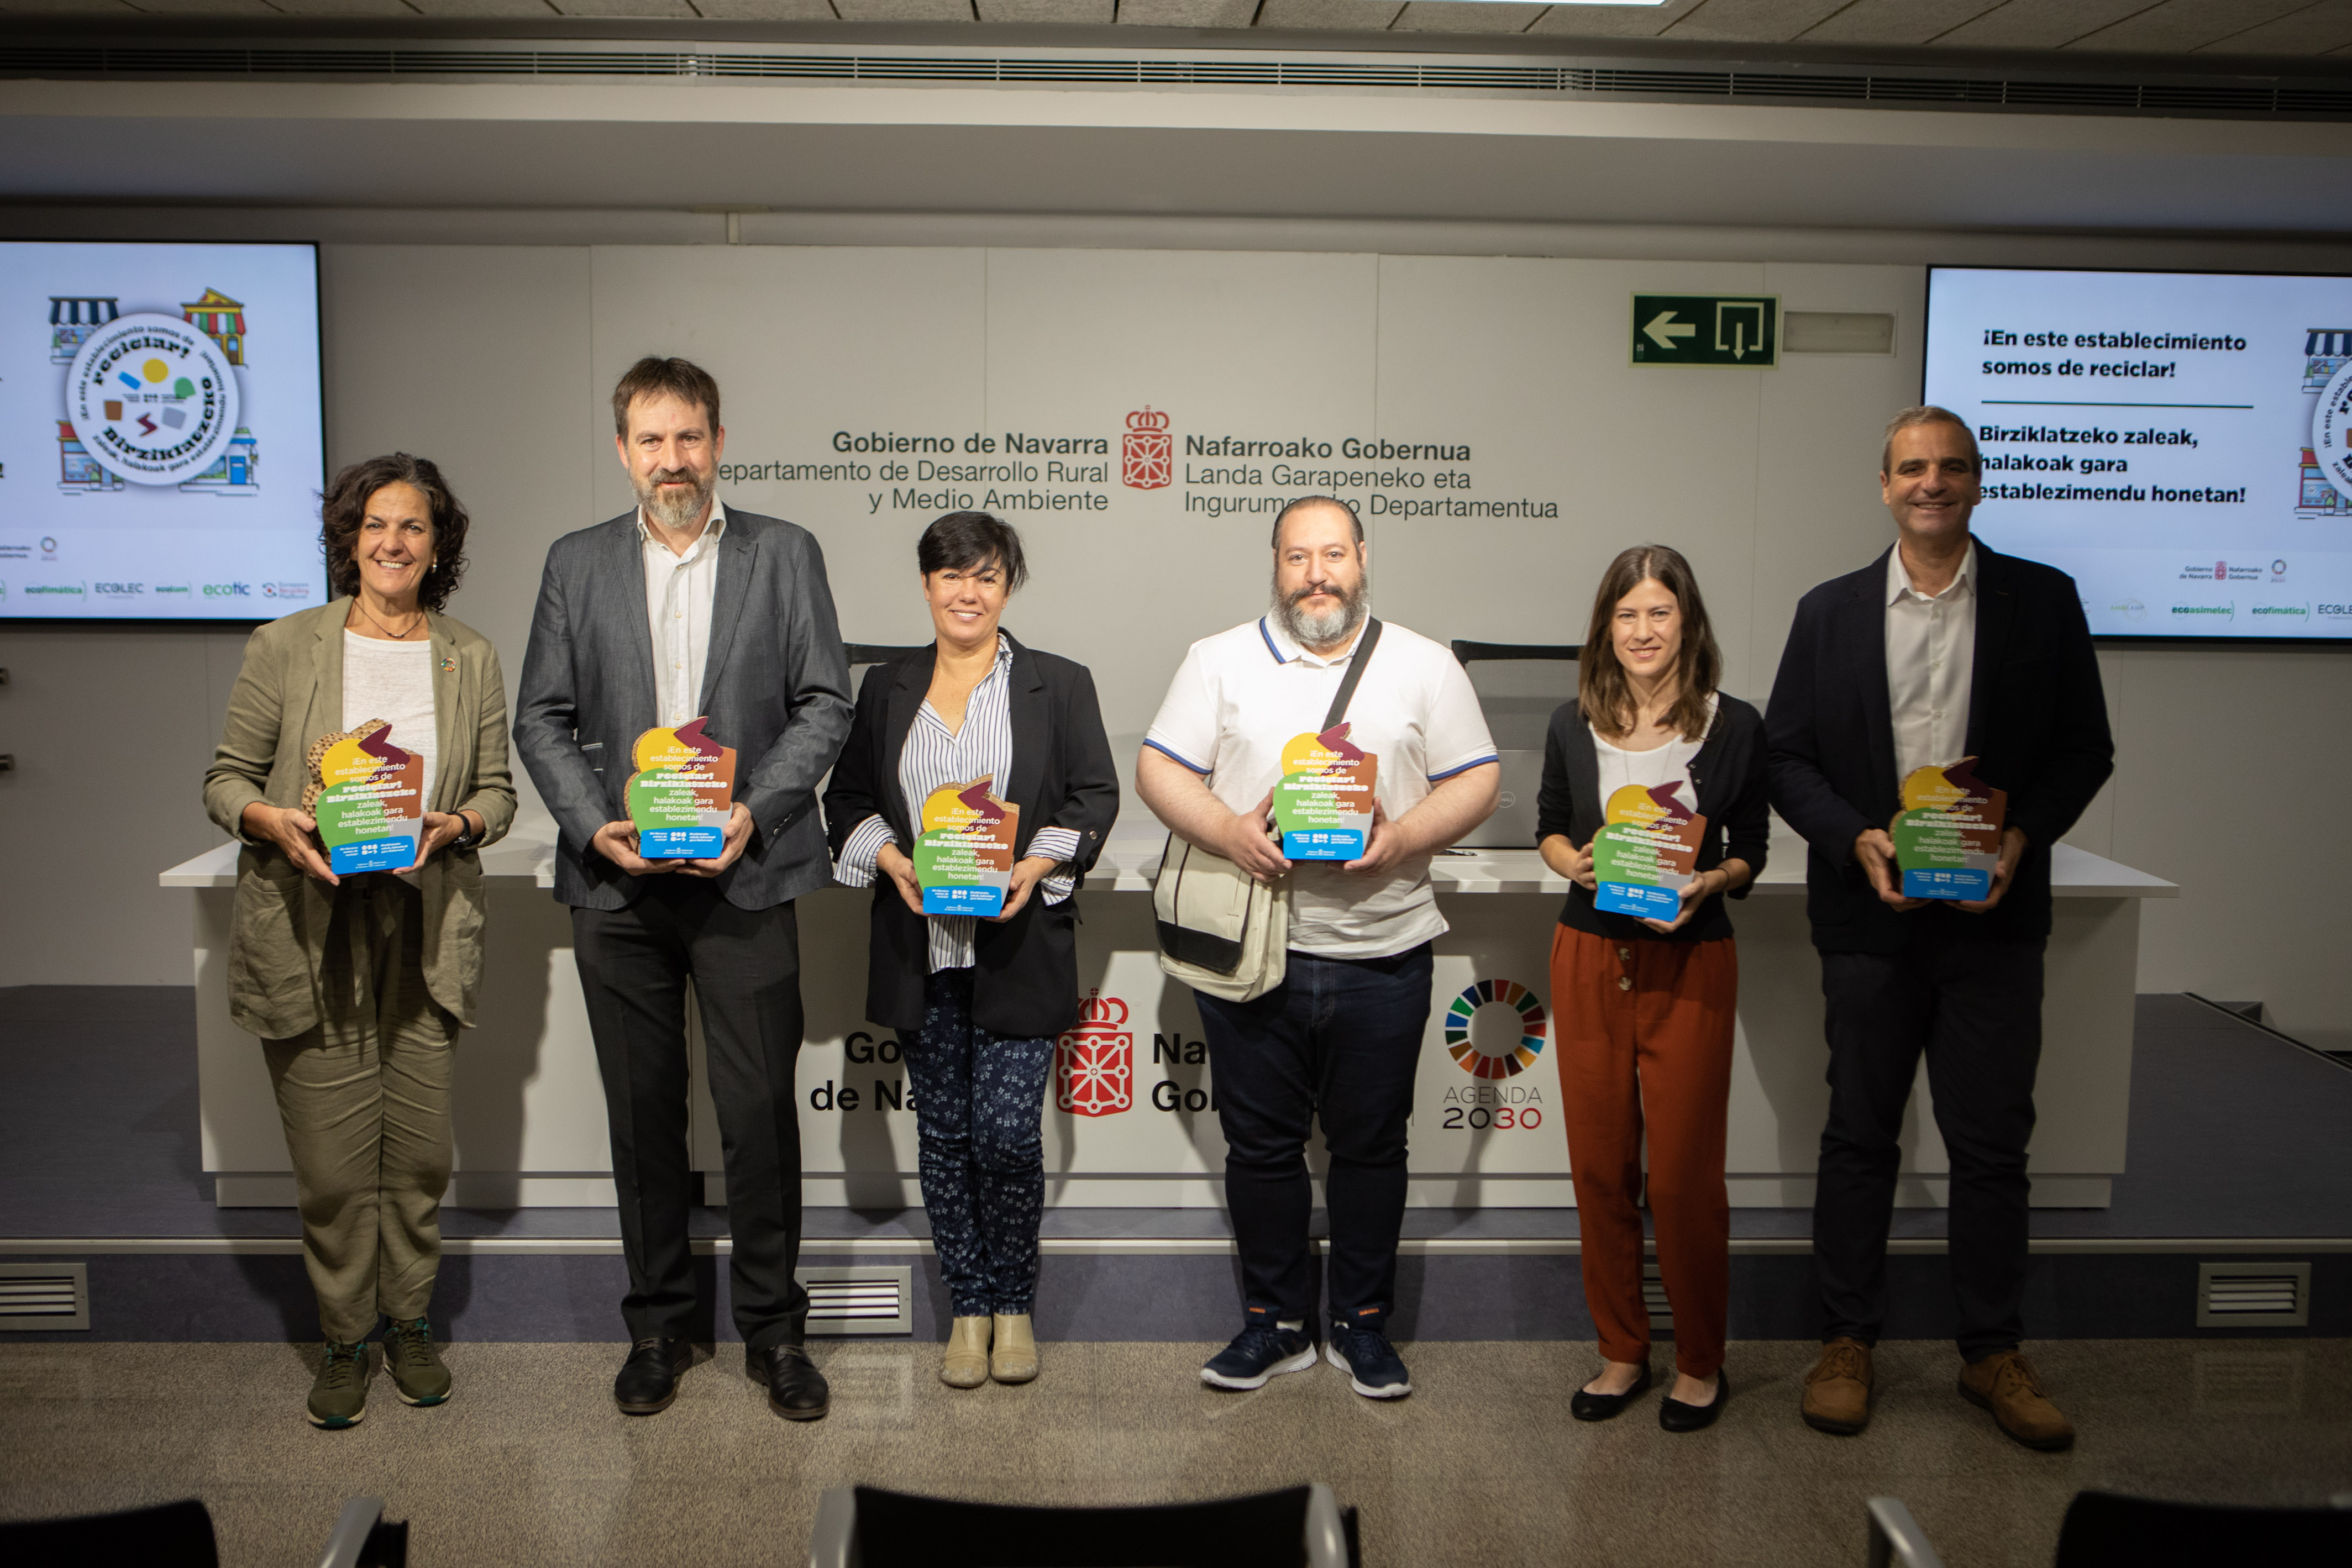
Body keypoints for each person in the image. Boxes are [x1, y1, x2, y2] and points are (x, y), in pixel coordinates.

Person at [1767, 406, 2113, 1451]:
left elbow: (2084, 751)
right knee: (1859, 1136)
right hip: (1870, 921)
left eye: (1951, 467)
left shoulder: (2041, 601)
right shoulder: (1828, 611)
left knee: (1992, 1145)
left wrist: (2022, 841)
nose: (1932, 483)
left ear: (1976, 482)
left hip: (1992, 923)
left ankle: (1991, 1351)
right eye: (1913, 468)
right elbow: (1787, 757)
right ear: (1884, 485)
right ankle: (1846, 1342)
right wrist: (1857, 838)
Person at [514, 357, 853, 1422]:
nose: (674, 460)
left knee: (757, 1114)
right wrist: (592, 826)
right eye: (652, 440)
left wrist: (754, 807)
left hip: (745, 876)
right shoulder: (575, 564)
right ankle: (660, 1326)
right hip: (618, 889)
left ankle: (775, 1332)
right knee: (644, 1116)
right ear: (624, 450)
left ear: (719, 442)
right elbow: (541, 716)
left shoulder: (783, 553)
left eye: (691, 438)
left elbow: (824, 706)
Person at [1137, 495, 1499, 1401]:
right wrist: (1227, 830)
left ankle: (1362, 1325)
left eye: (1332, 553)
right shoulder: (1217, 659)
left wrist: (1407, 835)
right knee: (1260, 1149)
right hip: (1254, 950)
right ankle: (1275, 1324)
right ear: (1275, 564)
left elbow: (1480, 777)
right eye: (1298, 557)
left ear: (1363, 557)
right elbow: (1159, 767)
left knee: (1373, 1148)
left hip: (1384, 949)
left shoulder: (1424, 664)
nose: (1317, 573)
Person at [203, 453, 516, 1430]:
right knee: (336, 1165)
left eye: (414, 527)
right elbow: (223, 779)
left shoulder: (471, 652)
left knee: (419, 1155)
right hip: (311, 926)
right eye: (375, 524)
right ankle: (345, 1337)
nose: (393, 542)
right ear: (348, 540)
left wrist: (455, 825)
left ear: (439, 546)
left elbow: (498, 794)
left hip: (423, 923)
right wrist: (272, 820)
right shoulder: (286, 644)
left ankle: (409, 1323)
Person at [823, 513, 1119, 1390]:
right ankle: (969, 1307)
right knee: (945, 1134)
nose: (967, 591)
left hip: (1019, 943)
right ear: (926, 585)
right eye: (951, 574)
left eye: (986, 576)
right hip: (923, 945)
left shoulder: (1059, 685)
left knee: (1005, 1133)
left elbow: (1094, 797)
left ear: (1008, 587)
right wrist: (893, 859)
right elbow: (846, 799)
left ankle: (1015, 1300)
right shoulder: (887, 687)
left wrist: (1035, 864)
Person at [1536, 545, 1767, 1434]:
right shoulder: (1572, 720)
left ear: (1688, 623)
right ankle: (1623, 1349)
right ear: (1606, 627)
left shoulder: (1735, 725)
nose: (1642, 630)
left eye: (1659, 613)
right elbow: (1550, 828)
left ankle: (1700, 1358)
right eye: (1626, 614)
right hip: (1592, 952)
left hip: (1692, 960)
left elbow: (1753, 845)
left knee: (1682, 1179)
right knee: (1601, 1169)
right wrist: (1576, 861)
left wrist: (1711, 881)